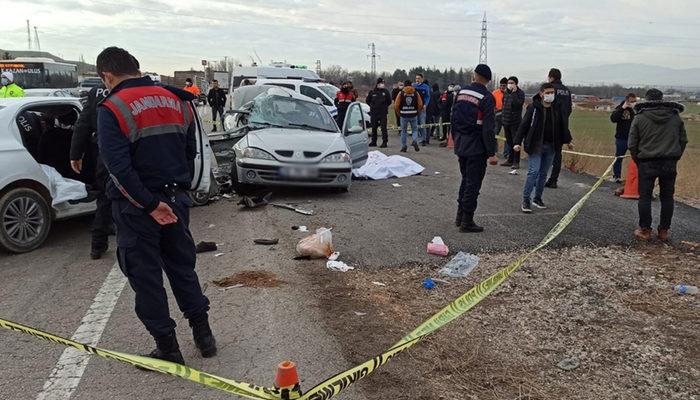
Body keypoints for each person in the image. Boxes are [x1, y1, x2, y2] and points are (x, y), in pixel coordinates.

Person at [95, 47, 216, 365]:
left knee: (146, 278)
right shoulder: (178, 99)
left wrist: (149, 205)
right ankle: (204, 336)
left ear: (107, 76)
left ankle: (168, 347)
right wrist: (175, 193)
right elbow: (191, 152)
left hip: (138, 208)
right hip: (176, 200)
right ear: (136, 69)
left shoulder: (113, 107)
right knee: (182, 268)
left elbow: (118, 169)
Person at [628, 89, 687, 242]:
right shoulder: (675, 117)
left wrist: (637, 158)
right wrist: (676, 156)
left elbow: (632, 143)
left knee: (645, 196)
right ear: (661, 99)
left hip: (646, 162)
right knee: (667, 197)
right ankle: (664, 231)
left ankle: (645, 230)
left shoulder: (640, 118)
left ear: (647, 100)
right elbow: (683, 140)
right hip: (669, 161)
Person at [452, 64, 498, 232]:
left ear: (475, 75)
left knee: (465, 181)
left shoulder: (462, 92)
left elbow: (453, 118)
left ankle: (459, 216)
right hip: (476, 146)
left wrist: (455, 139)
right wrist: (492, 152)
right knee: (473, 184)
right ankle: (467, 221)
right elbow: (488, 128)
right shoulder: (487, 97)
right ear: (488, 80)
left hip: (461, 143)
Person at [513, 83, 571, 213]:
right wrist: (517, 142)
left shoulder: (557, 108)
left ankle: (537, 198)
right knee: (533, 172)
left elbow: (563, 126)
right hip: (535, 145)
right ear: (541, 93)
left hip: (551, 146)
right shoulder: (533, 108)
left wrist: (568, 140)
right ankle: (526, 200)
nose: (551, 95)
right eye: (548, 92)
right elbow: (524, 125)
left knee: (543, 174)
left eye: (552, 93)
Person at [70, 82, 112, 259]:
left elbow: (82, 124)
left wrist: (76, 154)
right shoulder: (130, 89)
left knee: (104, 197)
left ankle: (98, 246)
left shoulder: (96, 92)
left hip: (103, 151)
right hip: (127, 149)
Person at [545, 68, 573, 188]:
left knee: (544, 151)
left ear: (551, 77)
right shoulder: (567, 91)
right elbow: (569, 109)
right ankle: (553, 180)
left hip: (549, 125)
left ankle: (541, 178)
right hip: (563, 126)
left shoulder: (550, 89)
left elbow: (545, 105)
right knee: (558, 154)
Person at [609, 93, 637, 183]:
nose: (633, 103)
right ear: (627, 101)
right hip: (621, 138)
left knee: (637, 158)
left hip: (634, 139)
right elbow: (613, 119)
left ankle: (635, 179)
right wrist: (622, 108)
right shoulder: (620, 109)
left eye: (634, 101)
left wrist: (633, 110)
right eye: (631, 101)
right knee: (619, 158)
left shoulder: (636, 111)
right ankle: (616, 176)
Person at [500, 76, 525, 169]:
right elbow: (504, 104)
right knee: (509, 142)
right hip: (506, 121)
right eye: (509, 83)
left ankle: (516, 162)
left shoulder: (520, 93)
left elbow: (518, 104)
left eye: (511, 83)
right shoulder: (506, 92)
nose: (509, 84)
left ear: (516, 84)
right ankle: (510, 160)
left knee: (516, 142)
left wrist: (514, 94)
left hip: (515, 122)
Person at [395, 79, 423, 153]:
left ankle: (404, 146)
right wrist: (418, 112)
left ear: (404, 85)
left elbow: (396, 105)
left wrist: (399, 113)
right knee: (415, 130)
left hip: (403, 114)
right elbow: (420, 104)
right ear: (411, 85)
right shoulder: (416, 93)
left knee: (403, 131)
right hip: (413, 114)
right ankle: (414, 140)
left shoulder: (401, 93)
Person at [366, 77, 392, 148]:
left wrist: (384, 107)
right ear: (377, 84)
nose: (382, 84)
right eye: (381, 83)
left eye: (383, 83)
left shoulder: (385, 92)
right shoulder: (372, 92)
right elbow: (368, 100)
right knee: (374, 127)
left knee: (383, 128)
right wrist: (372, 106)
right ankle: (373, 141)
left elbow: (389, 101)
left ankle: (384, 142)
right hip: (374, 113)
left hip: (383, 113)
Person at [412, 73, 431, 145]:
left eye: (419, 78)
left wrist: (425, 104)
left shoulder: (425, 87)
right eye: (416, 78)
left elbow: (427, 97)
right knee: (415, 125)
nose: (417, 80)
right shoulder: (413, 86)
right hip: (414, 108)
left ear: (422, 79)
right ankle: (415, 140)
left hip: (422, 109)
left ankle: (424, 140)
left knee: (422, 124)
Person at [492, 77, 508, 157]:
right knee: (494, 133)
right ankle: (494, 151)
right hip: (497, 116)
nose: (502, 87)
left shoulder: (509, 93)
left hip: (506, 116)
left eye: (504, 86)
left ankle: (506, 153)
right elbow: (491, 103)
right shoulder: (495, 93)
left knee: (507, 135)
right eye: (501, 85)